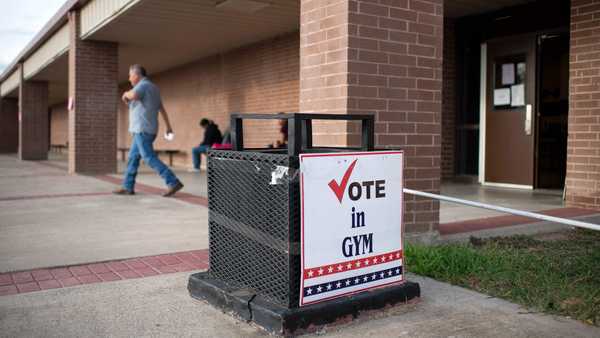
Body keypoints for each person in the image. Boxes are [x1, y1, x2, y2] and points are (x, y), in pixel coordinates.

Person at [113, 64, 184, 197]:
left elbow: (132, 95)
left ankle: (173, 182)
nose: (129, 78)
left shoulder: (142, 85)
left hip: (142, 129)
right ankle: (128, 187)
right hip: (146, 129)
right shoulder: (154, 88)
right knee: (133, 157)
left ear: (137, 75)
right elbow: (161, 108)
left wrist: (125, 94)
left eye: (130, 75)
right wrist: (168, 126)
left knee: (148, 157)